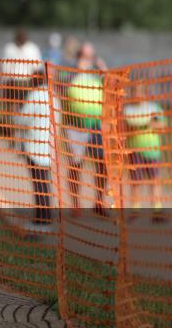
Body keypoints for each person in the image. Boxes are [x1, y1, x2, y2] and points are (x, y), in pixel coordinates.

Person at [64, 42, 109, 216]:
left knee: (102, 164)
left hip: (96, 125)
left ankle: (99, 201)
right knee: (76, 165)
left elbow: (112, 88)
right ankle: (76, 203)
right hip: (76, 126)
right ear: (78, 56)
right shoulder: (70, 73)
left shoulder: (97, 75)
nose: (88, 59)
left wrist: (103, 70)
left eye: (91, 56)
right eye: (85, 56)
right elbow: (62, 87)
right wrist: (78, 70)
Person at [15, 67, 56, 228]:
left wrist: (16, 112)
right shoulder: (53, 96)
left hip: (35, 147)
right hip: (48, 147)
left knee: (39, 185)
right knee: (44, 184)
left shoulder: (36, 95)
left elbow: (22, 119)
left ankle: (43, 220)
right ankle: (43, 217)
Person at [124, 83, 167, 223]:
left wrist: (147, 124)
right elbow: (124, 129)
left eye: (140, 91)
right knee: (136, 183)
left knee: (154, 182)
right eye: (135, 91)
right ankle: (135, 211)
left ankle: (157, 212)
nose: (138, 94)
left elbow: (162, 126)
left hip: (152, 151)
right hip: (135, 151)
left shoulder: (154, 108)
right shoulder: (128, 110)